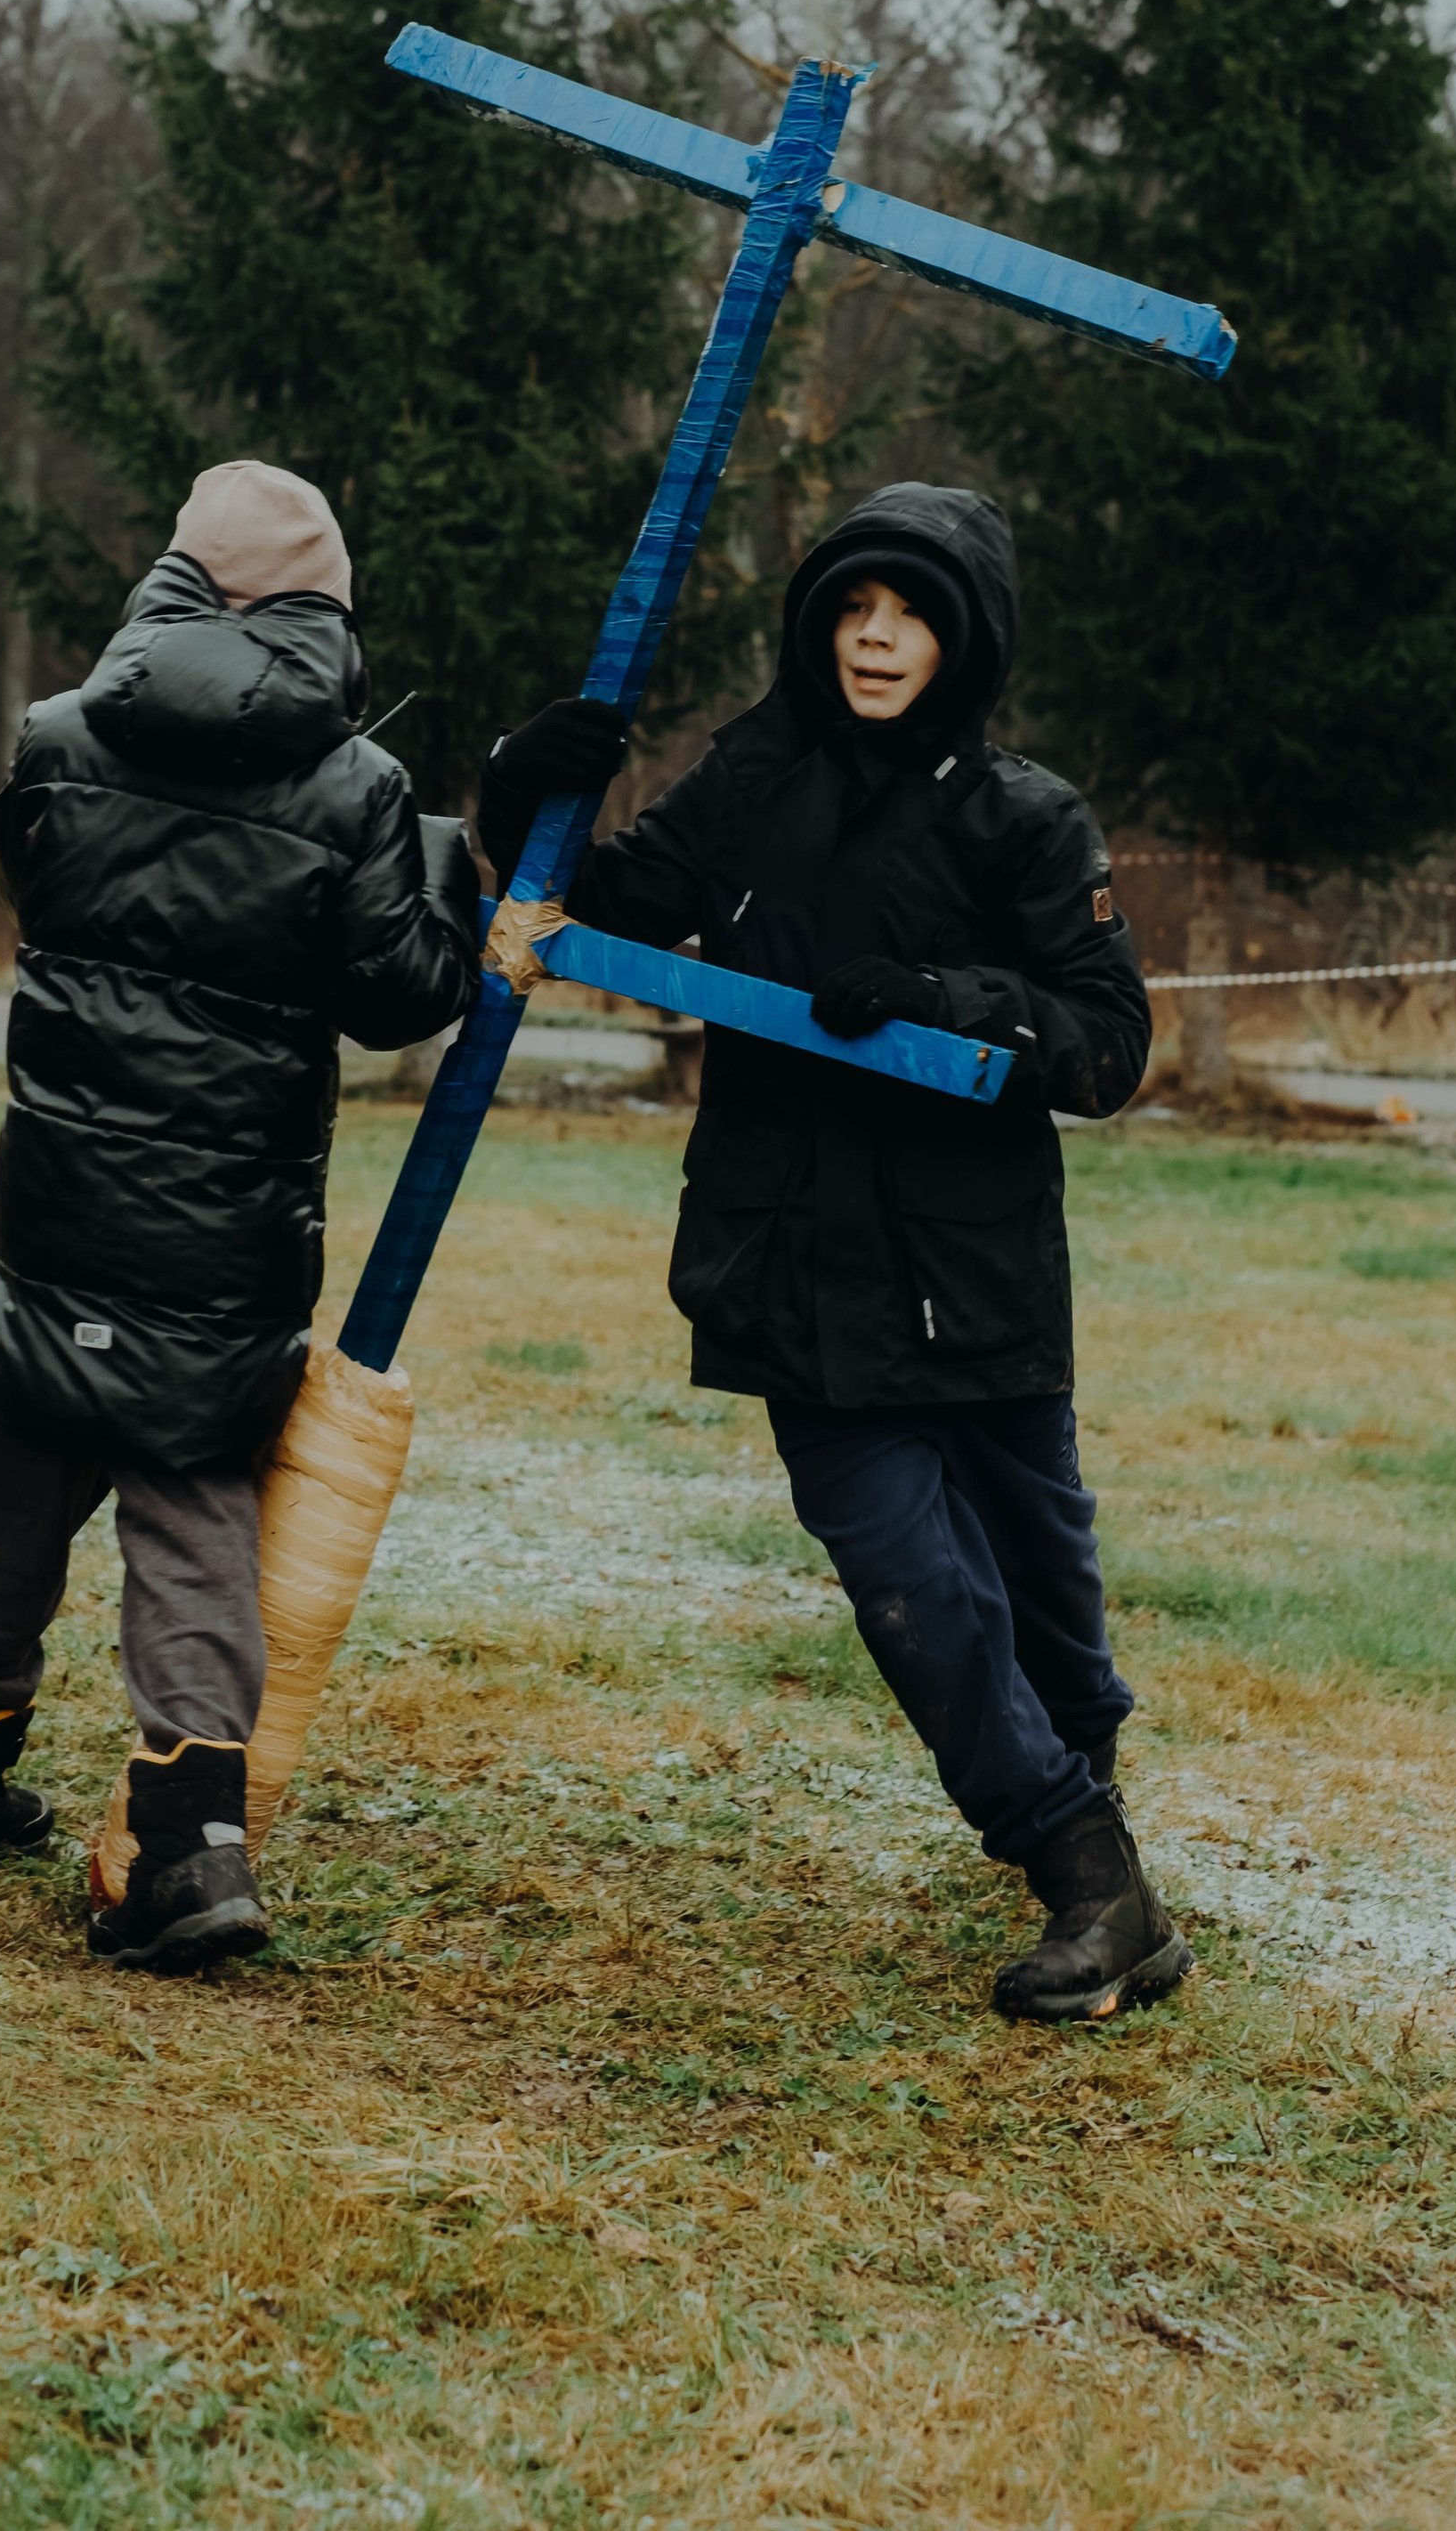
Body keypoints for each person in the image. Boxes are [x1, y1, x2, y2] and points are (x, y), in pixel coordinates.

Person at [477, 483, 1187, 2024]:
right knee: (909, 1588)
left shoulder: (1027, 816)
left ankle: (1079, 1777)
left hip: (973, 1272)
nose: (877, 636)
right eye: (855, 608)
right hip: (794, 1263)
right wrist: (510, 803)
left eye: (913, 612)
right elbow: (617, 903)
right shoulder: (751, 774)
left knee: (1043, 1589)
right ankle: (1087, 1874)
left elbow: (1108, 1045)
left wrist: (950, 998)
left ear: (965, 636)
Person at [0, 461, 481, 1971]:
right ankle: (195, 1848)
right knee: (193, 1490)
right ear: (319, 616)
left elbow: (45, 880)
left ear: (178, 585)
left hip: (63, 1191)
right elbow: (407, 992)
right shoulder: (355, 789)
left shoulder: (59, 740)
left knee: (37, 1454)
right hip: (223, 1221)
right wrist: (454, 856)